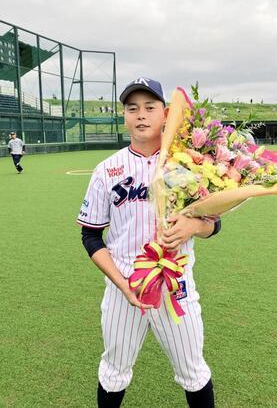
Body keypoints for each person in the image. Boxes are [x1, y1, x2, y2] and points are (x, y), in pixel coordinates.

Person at [77, 78, 221, 408]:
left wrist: (193, 226)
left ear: (165, 114)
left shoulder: (188, 164)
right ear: (124, 117)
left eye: (149, 107)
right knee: (113, 372)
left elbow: (215, 225)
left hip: (176, 287)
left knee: (193, 371)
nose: (141, 115)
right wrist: (122, 285)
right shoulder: (106, 170)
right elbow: (90, 235)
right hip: (123, 288)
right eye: (132, 108)